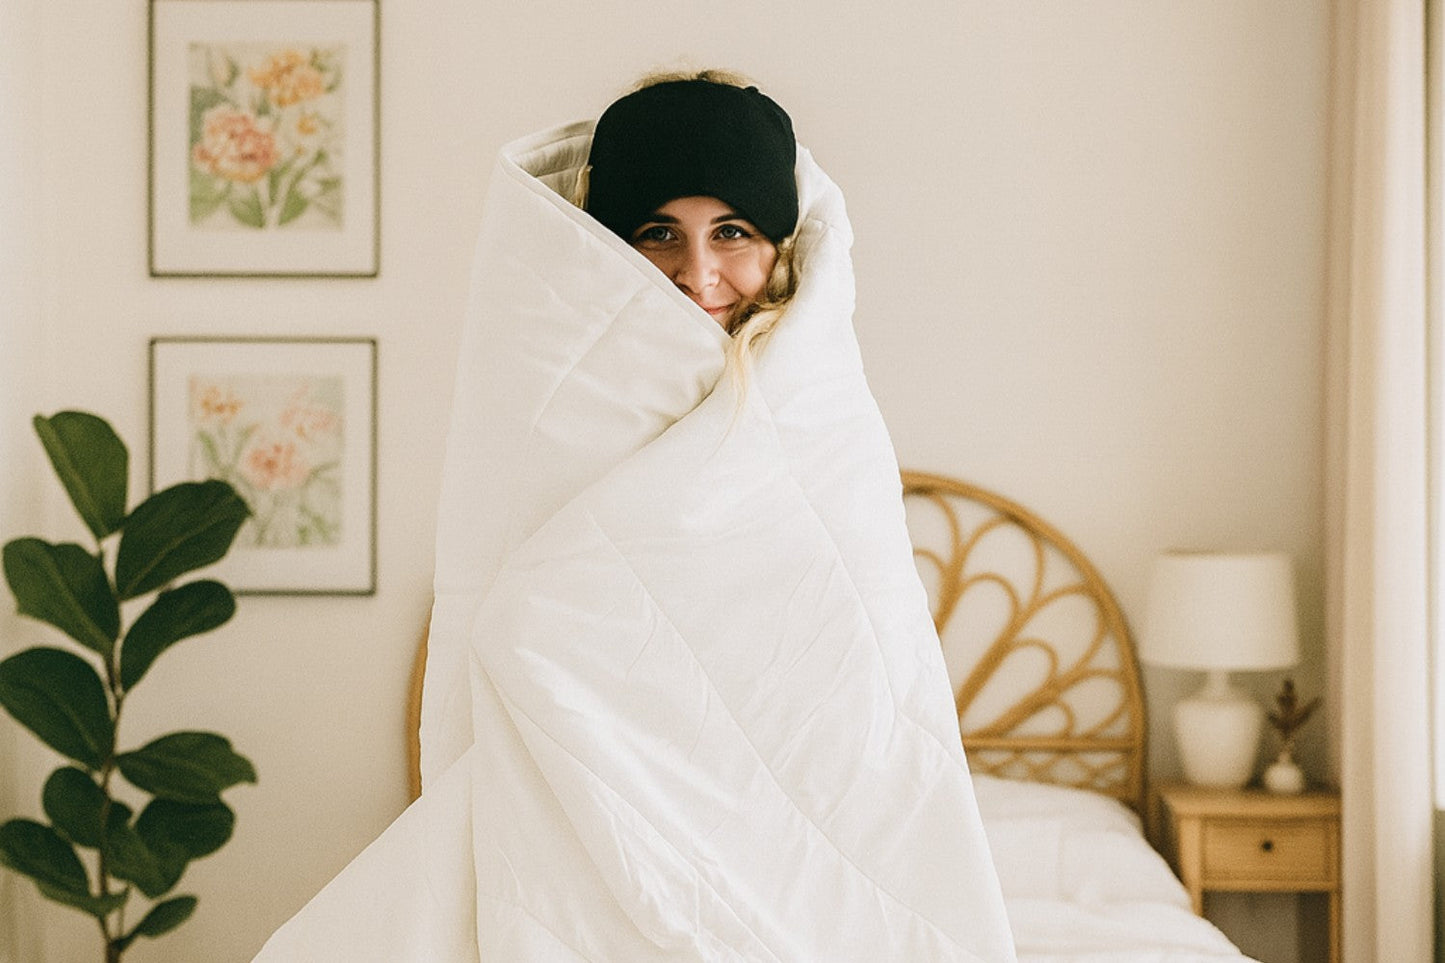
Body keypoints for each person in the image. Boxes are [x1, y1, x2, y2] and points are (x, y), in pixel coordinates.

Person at [256, 69, 1018, 962]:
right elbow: (504, 568)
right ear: (607, 244)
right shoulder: (552, 391)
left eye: (732, 232)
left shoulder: (821, 410)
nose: (698, 274)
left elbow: (860, 665)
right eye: (658, 232)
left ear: (779, 244)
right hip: (579, 771)